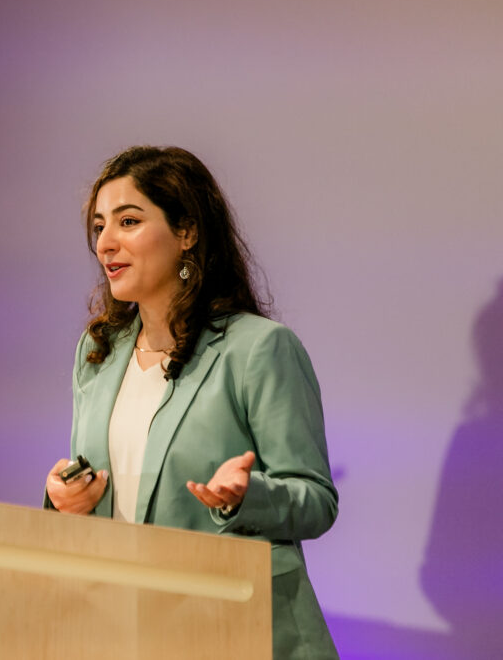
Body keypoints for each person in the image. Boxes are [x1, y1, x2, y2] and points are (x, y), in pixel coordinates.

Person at [44, 146, 339, 659]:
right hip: (125, 630)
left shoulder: (258, 349)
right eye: (98, 227)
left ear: (187, 232)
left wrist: (244, 497)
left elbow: (315, 500)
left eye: (128, 221)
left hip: (235, 632)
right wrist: (66, 501)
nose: (106, 244)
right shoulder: (98, 353)